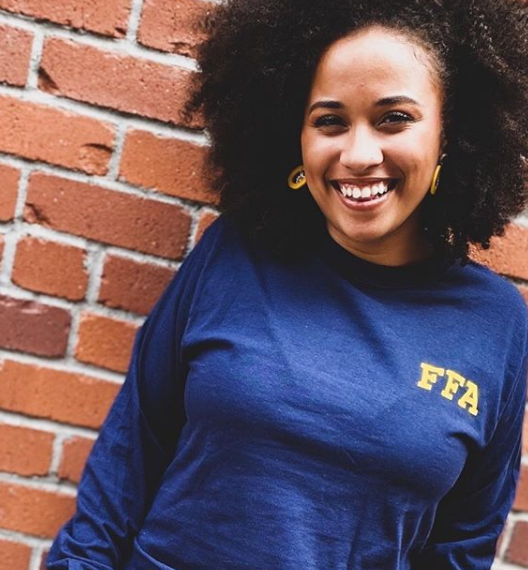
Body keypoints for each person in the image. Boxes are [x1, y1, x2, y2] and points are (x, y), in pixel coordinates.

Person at [47, 0, 528, 568]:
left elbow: (461, 548)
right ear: (293, 135)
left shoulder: (496, 323)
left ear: (450, 132)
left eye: (394, 118)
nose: (359, 154)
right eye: (330, 121)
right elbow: (129, 457)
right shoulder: (234, 254)